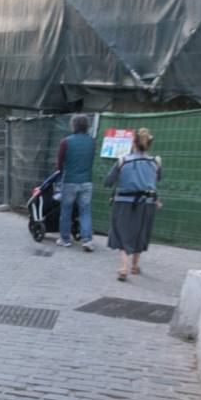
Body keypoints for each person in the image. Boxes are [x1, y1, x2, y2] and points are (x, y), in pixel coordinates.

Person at [104, 127, 162, 281]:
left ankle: (123, 268)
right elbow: (156, 180)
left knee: (123, 232)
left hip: (124, 202)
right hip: (147, 203)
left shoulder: (123, 161)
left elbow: (108, 182)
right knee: (140, 232)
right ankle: (135, 266)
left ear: (133, 143)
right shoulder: (156, 161)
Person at [55, 114, 96, 251]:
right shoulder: (92, 141)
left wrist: (58, 176)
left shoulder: (65, 142)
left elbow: (59, 164)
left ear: (74, 125)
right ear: (86, 126)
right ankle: (87, 240)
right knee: (85, 210)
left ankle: (65, 239)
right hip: (87, 181)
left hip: (70, 181)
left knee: (66, 210)